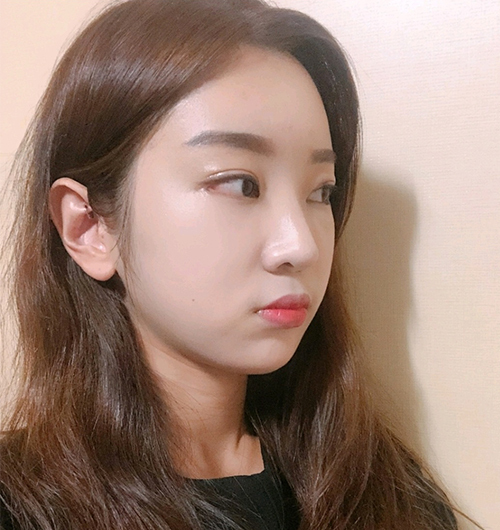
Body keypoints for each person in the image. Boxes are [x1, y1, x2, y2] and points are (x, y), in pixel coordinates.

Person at [0, 0, 466, 528]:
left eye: (321, 192)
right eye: (242, 184)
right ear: (89, 227)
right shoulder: (22, 508)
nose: (303, 246)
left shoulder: (384, 492)